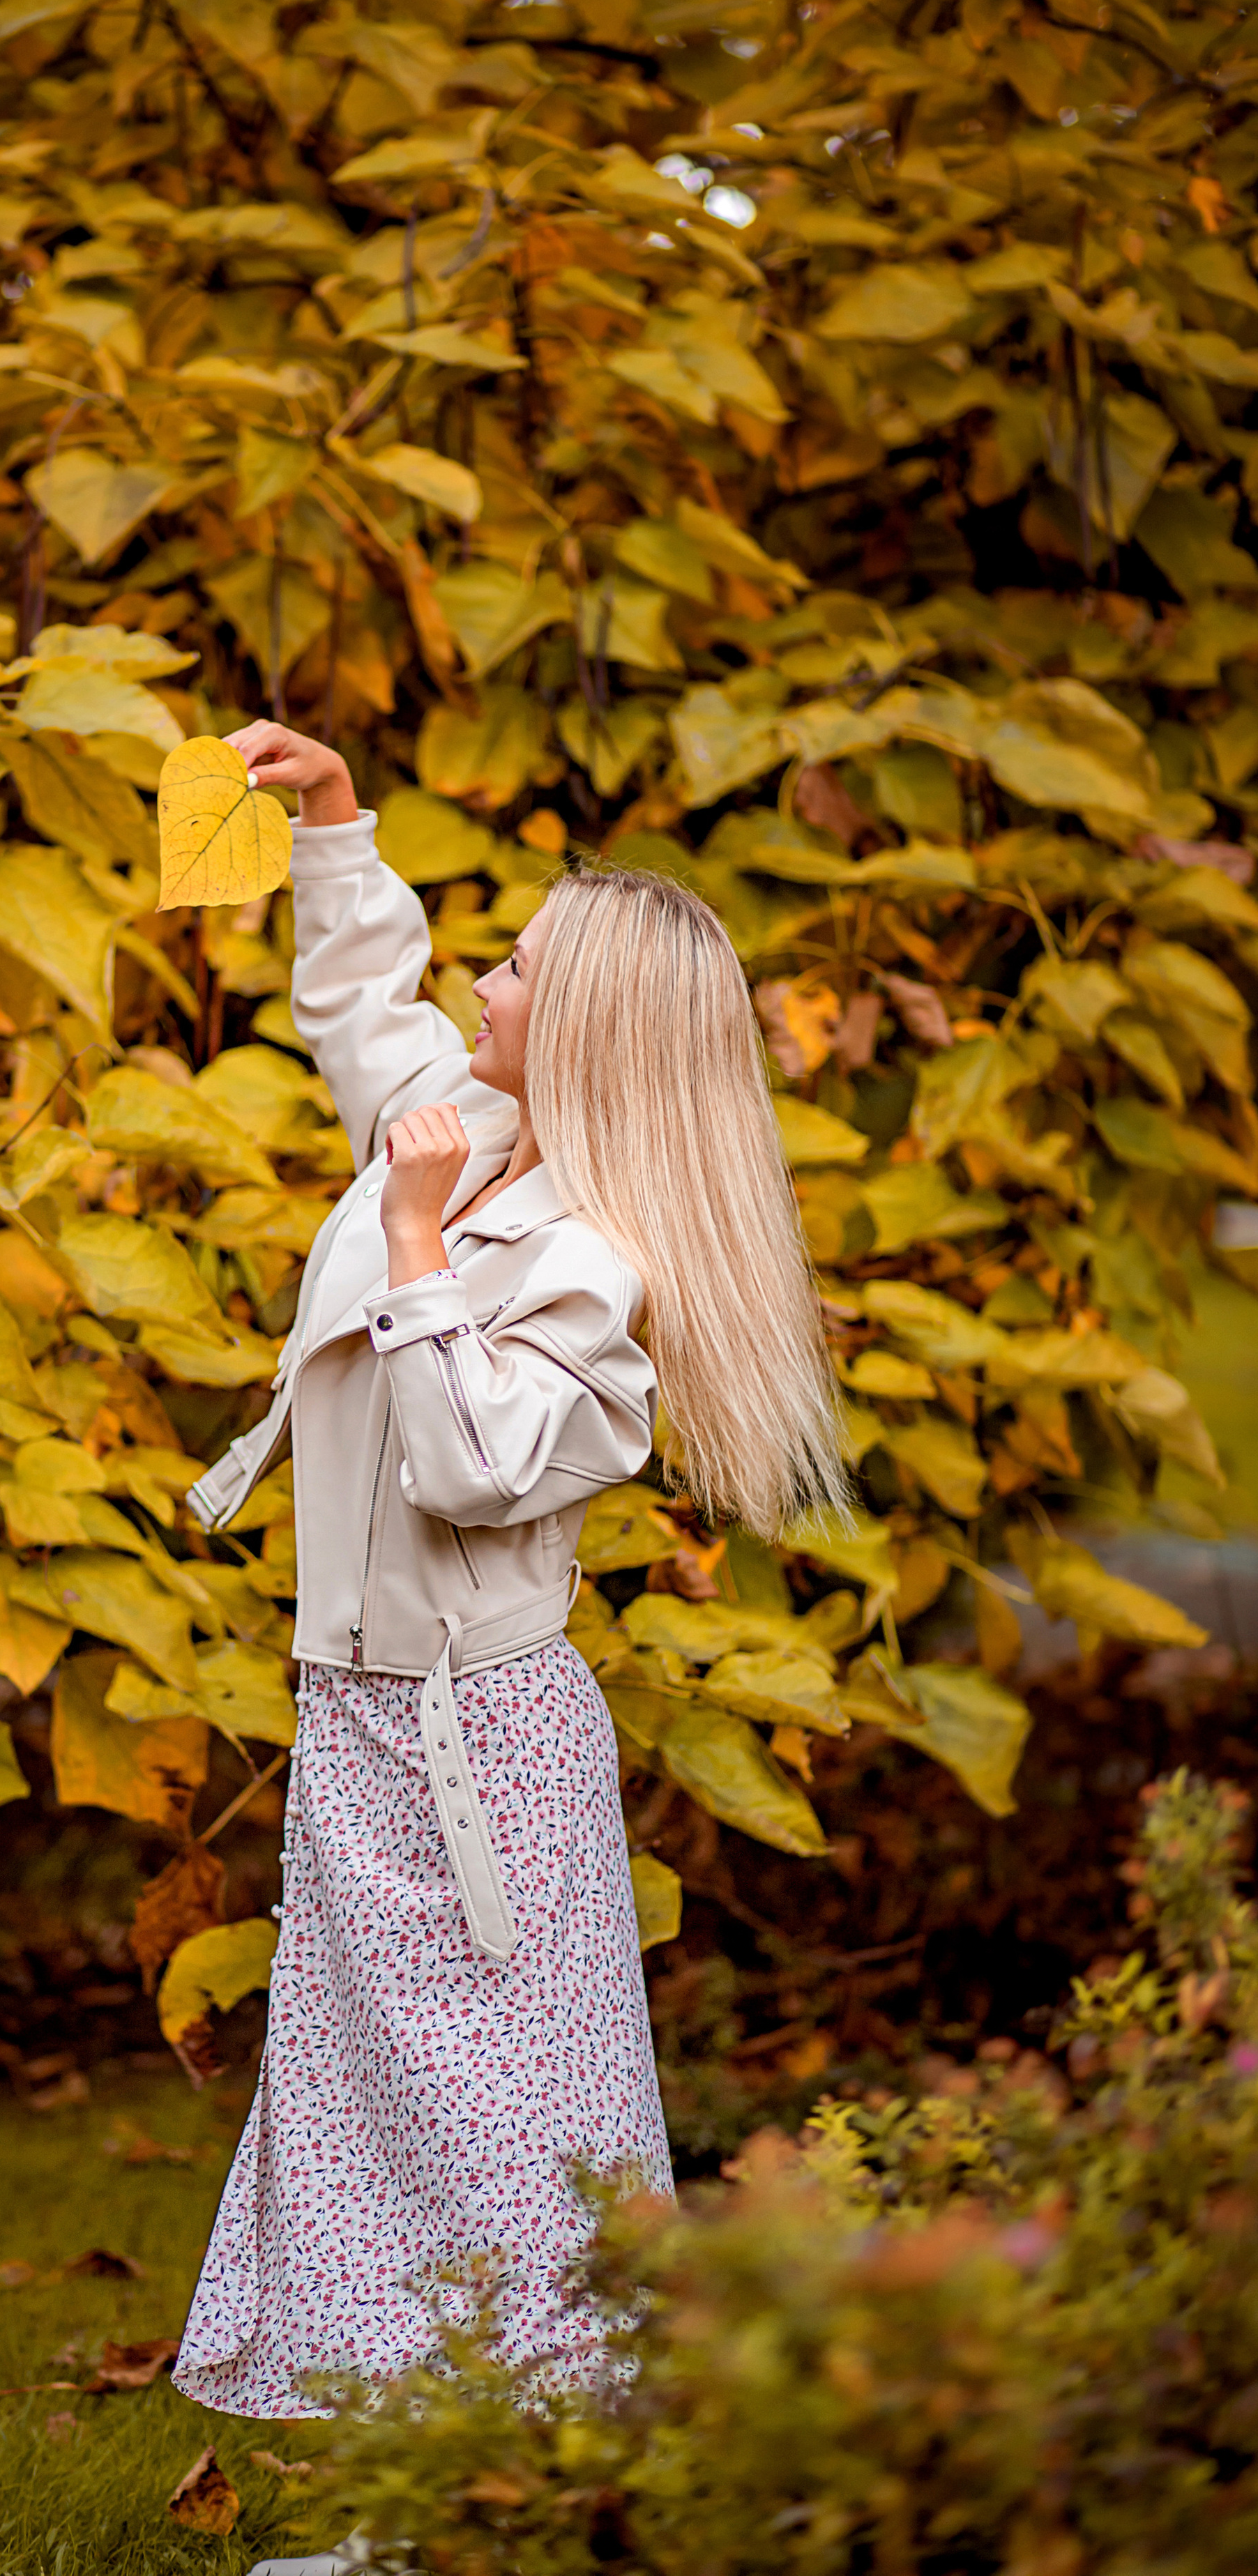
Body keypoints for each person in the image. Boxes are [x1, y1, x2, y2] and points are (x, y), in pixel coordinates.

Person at [172, 722, 848, 2574]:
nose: (486, 972)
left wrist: (407, 1248)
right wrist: (331, 819)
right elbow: (366, 1001)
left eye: (523, 964)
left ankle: (539, 2501)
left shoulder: (589, 1261)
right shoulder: (469, 1143)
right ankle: (431, 2520)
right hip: (372, 1730)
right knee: (381, 2125)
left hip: (481, 1755)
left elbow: (475, 1467)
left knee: (504, 2140)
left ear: (590, 1030)